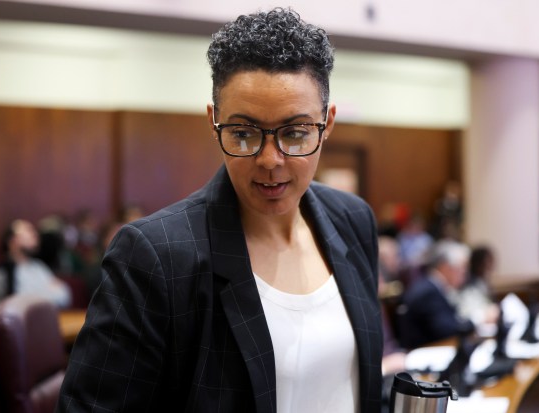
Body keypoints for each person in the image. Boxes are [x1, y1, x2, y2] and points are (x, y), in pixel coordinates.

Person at [57, 8, 382, 413]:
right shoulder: (156, 256)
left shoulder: (352, 220)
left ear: (327, 123)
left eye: (295, 134)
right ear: (214, 122)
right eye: (243, 134)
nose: (269, 160)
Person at [397, 240, 475, 349]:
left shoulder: (433, 286)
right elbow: (447, 330)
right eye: (461, 268)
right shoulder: (427, 292)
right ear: (445, 267)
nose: (464, 273)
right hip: (425, 354)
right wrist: (476, 321)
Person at [1, 219, 72, 308]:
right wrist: (49, 291)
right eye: (28, 230)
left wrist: (38, 295)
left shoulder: (38, 266)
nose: (35, 234)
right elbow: (23, 303)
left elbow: (64, 296)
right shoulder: (5, 271)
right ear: (12, 241)